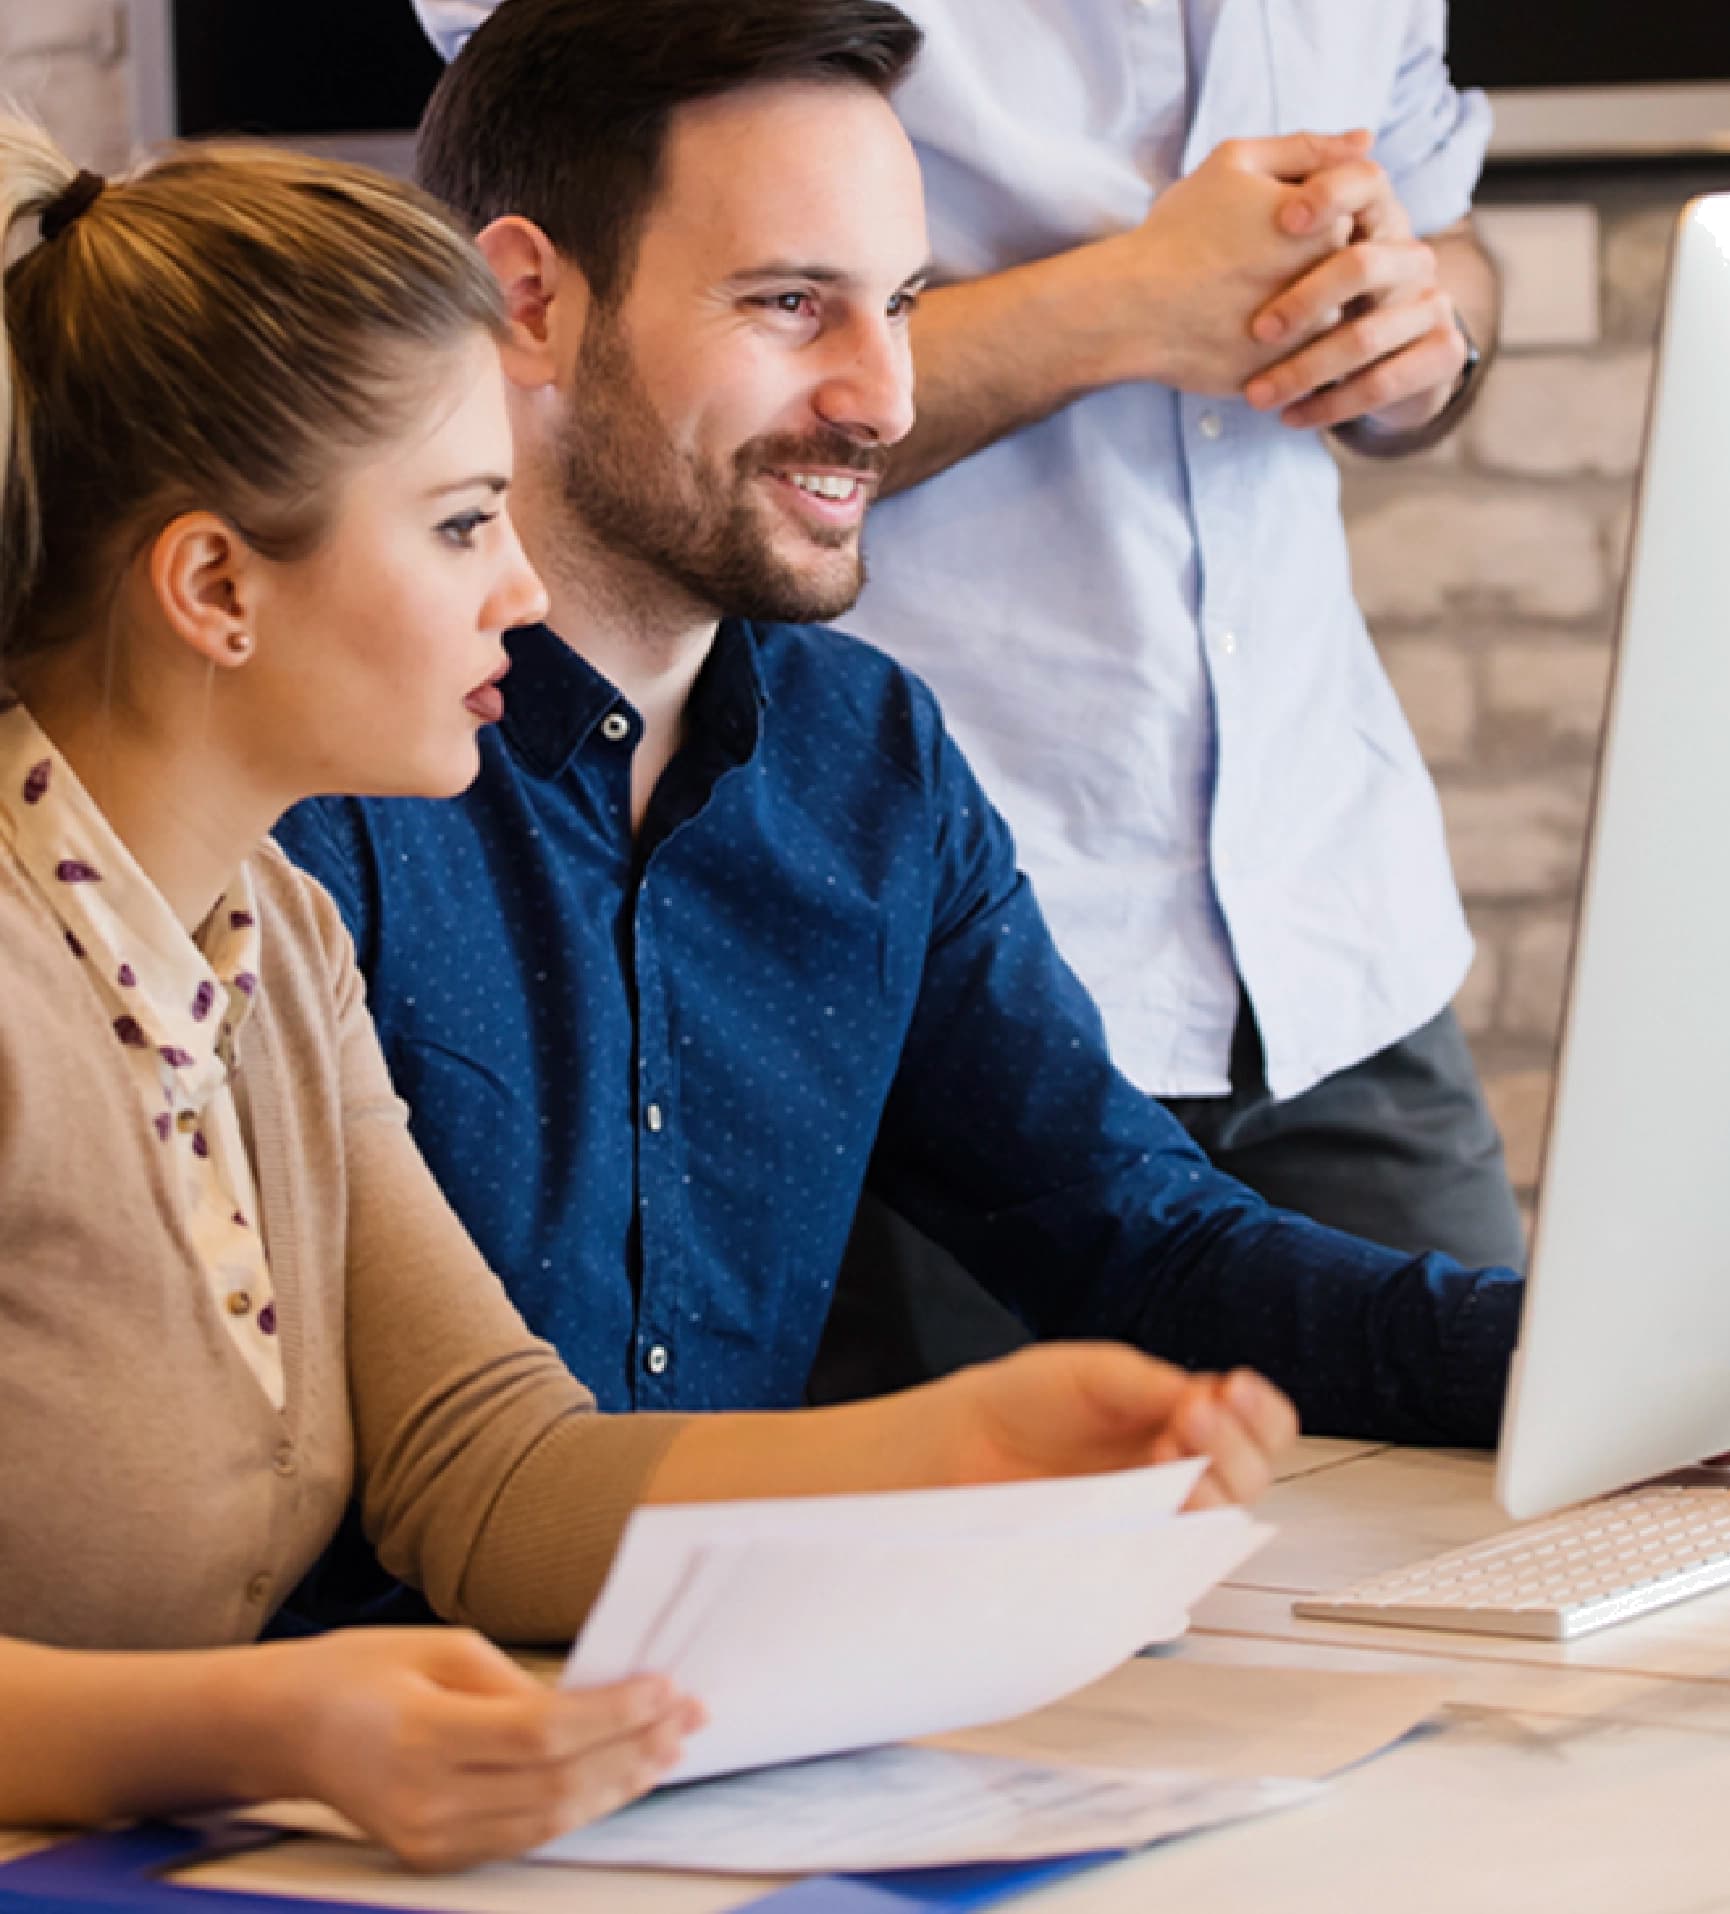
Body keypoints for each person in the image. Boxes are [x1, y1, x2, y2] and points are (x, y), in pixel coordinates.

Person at [0, 118, 1298, 1871]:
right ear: (217, 585)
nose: (522, 589)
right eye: (463, 523)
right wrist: (269, 1721)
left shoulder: (271, 939)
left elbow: (485, 1459)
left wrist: (957, 1446)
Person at [276, 0, 1522, 1465]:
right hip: (399, 1671)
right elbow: (439, 1477)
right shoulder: (323, 779)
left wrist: (1604, 1367)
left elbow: (1139, 1239)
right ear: (530, 305)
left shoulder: (863, 763)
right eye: (790, 303)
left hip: (1315, 918)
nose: (886, 398)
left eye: (909, 303)